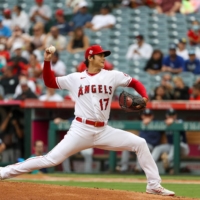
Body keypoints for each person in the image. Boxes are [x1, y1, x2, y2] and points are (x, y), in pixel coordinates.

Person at [0, 44, 175, 196]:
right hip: (80, 129)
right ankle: (3, 172)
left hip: (103, 131)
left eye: (104, 55)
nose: (103, 58)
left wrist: (144, 97)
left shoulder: (111, 75)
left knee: (140, 143)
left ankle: (153, 185)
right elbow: (50, 82)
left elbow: (135, 82)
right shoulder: (75, 78)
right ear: (90, 57)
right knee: (51, 159)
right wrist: (47, 61)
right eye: (100, 55)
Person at [118, 109, 163, 173]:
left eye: (149, 115)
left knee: (140, 146)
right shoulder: (140, 123)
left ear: (152, 116)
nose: (147, 117)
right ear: (142, 116)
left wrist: (151, 122)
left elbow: (166, 124)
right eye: (145, 115)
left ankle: (138, 168)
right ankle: (124, 168)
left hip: (151, 148)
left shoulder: (157, 123)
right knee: (127, 147)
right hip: (139, 146)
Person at [152, 109, 189, 174]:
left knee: (175, 145)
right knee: (158, 148)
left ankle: (168, 160)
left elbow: (181, 122)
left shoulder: (180, 121)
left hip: (183, 147)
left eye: (173, 115)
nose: (171, 116)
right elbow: (155, 125)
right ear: (166, 116)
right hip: (171, 146)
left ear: (176, 115)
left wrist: (173, 121)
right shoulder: (164, 123)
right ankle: (150, 166)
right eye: (170, 115)